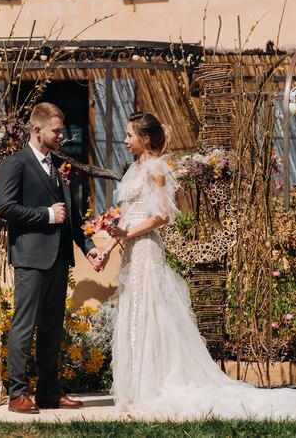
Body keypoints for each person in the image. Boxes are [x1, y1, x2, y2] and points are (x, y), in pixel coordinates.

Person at [100, 111, 296, 420]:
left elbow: (163, 216)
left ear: (145, 139)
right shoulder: (134, 169)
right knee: (134, 311)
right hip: (130, 250)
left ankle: (155, 386)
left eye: (129, 135)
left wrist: (129, 234)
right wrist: (109, 249)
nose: (125, 140)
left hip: (146, 251)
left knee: (149, 310)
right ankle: (137, 388)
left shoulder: (156, 169)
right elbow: (127, 215)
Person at [0, 102, 103, 414]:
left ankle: (48, 392)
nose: (62, 135)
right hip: (30, 258)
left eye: (61, 130)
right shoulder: (15, 163)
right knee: (24, 326)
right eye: (57, 131)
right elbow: (5, 208)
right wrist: (45, 214)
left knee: (52, 328)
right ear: (37, 129)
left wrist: (89, 246)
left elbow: (69, 217)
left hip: (58, 260)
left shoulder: (58, 167)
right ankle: (17, 393)